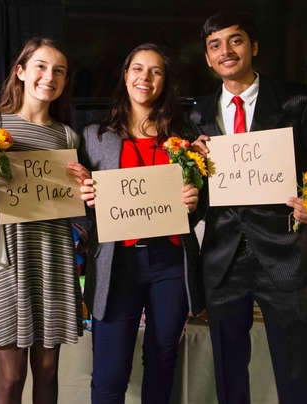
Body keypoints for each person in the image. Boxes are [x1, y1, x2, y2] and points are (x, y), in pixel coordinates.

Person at [189, 10, 307, 404]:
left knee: (297, 369)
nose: (225, 51)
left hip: (283, 252)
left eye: (235, 40)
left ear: (253, 46)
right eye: (215, 45)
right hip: (222, 255)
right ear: (207, 58)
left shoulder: (296, 99)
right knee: (229, 374)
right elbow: (197, 194)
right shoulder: (197, 114)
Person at [0, 37, 88, 404]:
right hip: (5, 263)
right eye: (40, 66)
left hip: (54, 261)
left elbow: (75, 210)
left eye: (59, 71)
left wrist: (86, 190)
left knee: (47, 371)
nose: (49, 76)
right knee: (10, 378)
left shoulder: (67, 136)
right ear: (21, 72)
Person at [68, 43, 204, 404]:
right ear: (126, 76)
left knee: (162, 363)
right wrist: (87, 199)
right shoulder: (95, 137)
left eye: (156, 71)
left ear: (165, 81)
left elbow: (202, 205)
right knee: (110, 373)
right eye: (138, 69)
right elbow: (78, 209)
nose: (146, 77)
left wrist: (195, 202)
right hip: (118, 265)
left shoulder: (185, 139)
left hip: (170, 264)